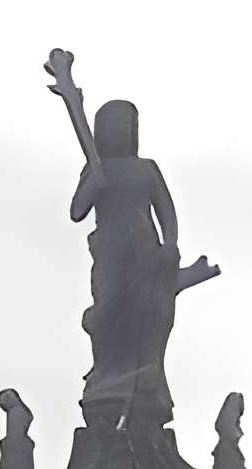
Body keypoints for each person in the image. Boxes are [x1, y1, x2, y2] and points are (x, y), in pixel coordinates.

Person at [46, 50, 217, 442]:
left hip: (145, 251)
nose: (121, 131)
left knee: (151, 312)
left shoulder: (146, 169)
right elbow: (76, 211)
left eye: (128, 124)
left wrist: (171, 245)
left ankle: (145, 374)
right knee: (107, 311)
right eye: (114, 125)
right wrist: (93, 183)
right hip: (108, 252)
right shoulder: (97, 169)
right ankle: (108, 374)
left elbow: (166, 210)